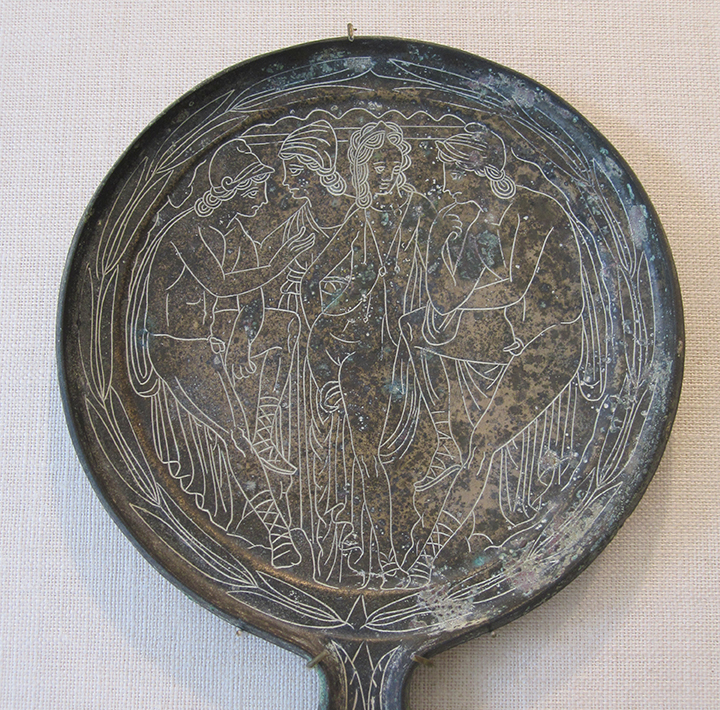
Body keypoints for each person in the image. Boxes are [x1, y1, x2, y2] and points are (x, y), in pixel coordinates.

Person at [399, 125, 586, 566]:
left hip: (549, 343)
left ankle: (434, 548)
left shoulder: (536, 209)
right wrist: (439, 245)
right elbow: (445, 297)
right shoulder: (471, 219)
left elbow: (513, 289)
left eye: (454, 173)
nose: (445, 183)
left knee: (483, 442)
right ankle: (448, 448)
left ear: (482, 172)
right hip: (503, 337)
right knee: (413, 330)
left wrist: (449, 303)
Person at [126, 137, 314, 567]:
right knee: (234, 436)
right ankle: (279, 535)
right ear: (229, 189)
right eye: (255, 187)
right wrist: (283, 259)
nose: (263, 196)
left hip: (209, 341)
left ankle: (264, 430)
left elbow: (244, 295)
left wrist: (245, 343)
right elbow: (223, 284)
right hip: (178, 350)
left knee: (284, 325)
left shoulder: (220, 232)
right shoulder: (186, 231)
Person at [301, 121, 437, 584]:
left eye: (391, 162)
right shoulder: (359, 219)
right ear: (360, 168)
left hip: (415, 352)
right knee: (368, 457)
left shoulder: (419, 213)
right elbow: (312, 282)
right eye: (375, 163)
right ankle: (385, 548)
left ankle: (410, 531)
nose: (384, 171)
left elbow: (442, 276)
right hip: (364, 356)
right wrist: (343, 308)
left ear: (401, 165)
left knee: (413, 455)